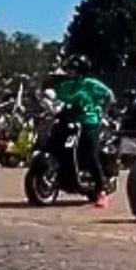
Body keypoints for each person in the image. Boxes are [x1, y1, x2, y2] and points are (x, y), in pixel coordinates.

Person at [53, 54, 114, 207]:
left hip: (88, 123)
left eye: (73, 69)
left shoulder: (90, 84)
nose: (69, 72)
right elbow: (55, 99)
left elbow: (109, 96)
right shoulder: (65, 85)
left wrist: (102, 112)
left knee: (91, 153)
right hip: (68, 121)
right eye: (69, 69)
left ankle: (102, 191)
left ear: (80, 70)